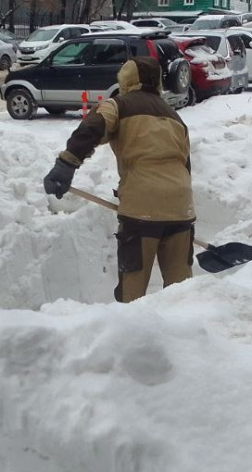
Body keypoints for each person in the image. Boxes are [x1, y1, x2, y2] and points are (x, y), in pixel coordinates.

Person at [43, 56, 195, 303]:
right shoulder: (175, 117)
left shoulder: (119, 105)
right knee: (182, 292)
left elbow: (92, 127)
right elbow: (185, 165)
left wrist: (66, 164)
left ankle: (130, 334)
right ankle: (184, 335)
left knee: (132, 290)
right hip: (182, 207)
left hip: (142, 209)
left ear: (126, 79)